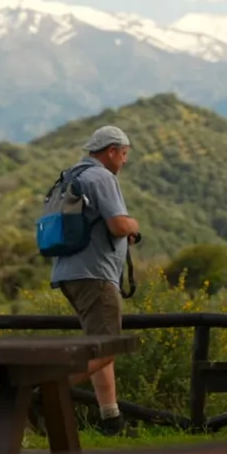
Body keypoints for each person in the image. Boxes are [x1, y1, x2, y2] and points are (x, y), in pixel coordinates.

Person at [46, 124, 141, 436]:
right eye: (124, 154)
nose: (124, 161)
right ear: (111, 151)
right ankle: (40, 392)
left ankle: (111, 420)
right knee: (108, 348)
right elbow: (116, 225)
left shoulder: (71, 176)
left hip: (69, 273)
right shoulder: (101, 177)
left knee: (98, 349)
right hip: (94, 275)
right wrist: (133, 224)